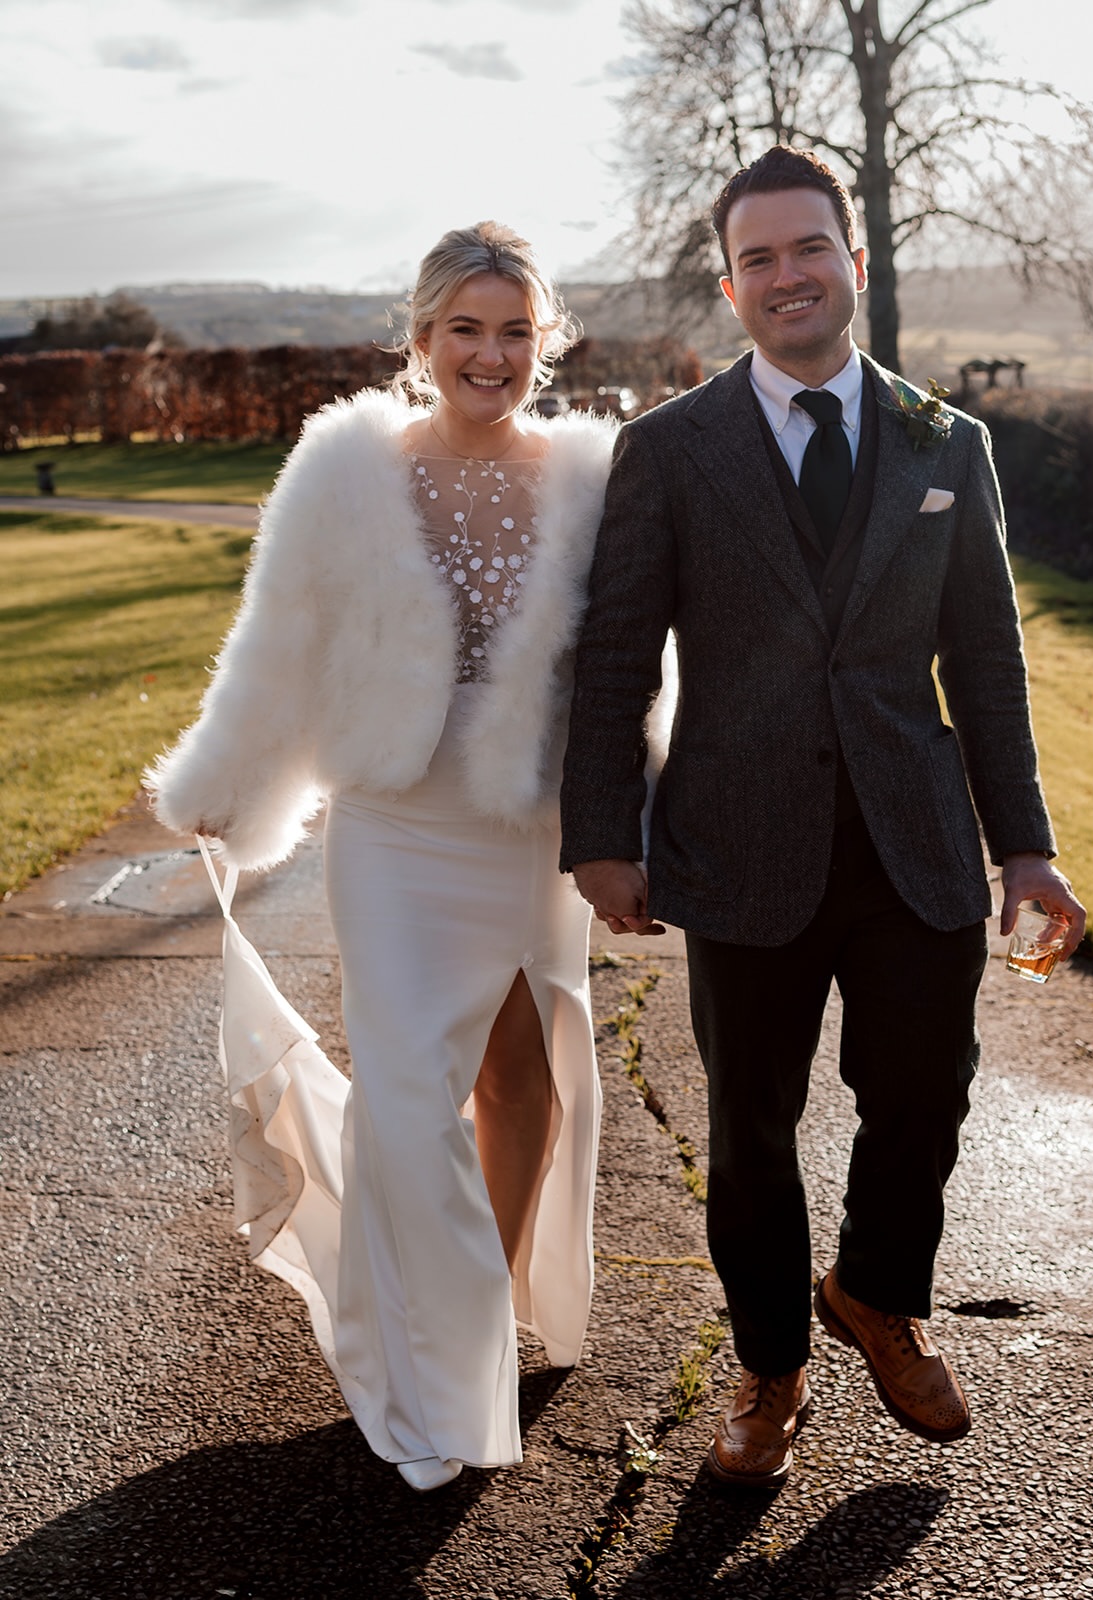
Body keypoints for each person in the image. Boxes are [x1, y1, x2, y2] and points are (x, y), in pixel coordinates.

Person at [559, 147, 1086, 1488]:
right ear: (732, 288)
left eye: (810, 250)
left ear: (853, 264)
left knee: (923, 1094)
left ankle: (875, 1288)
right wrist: (601, 834)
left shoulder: (944, 445)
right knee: (750, 1126)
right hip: (735, 847)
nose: (786, 276)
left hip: (913, 842)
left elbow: (988, 659)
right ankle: (769, 1365)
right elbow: (617, 656)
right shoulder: (668, 453)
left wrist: (1024, 843)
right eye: (758, 260)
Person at [146, 222, 621, 1492]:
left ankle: (488, 1316)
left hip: (528, 828)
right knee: (413, 1098)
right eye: (463, 328)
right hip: (396, 830)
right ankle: (441, 1366)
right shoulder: (342, 472)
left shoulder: (591, 479)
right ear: (418, 342)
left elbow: (636, 673)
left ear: (545, 342)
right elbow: (277, 641)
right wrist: (220, 780)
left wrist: (649, 819)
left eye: (514, 329)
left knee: (523, 1076)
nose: (489, 353)